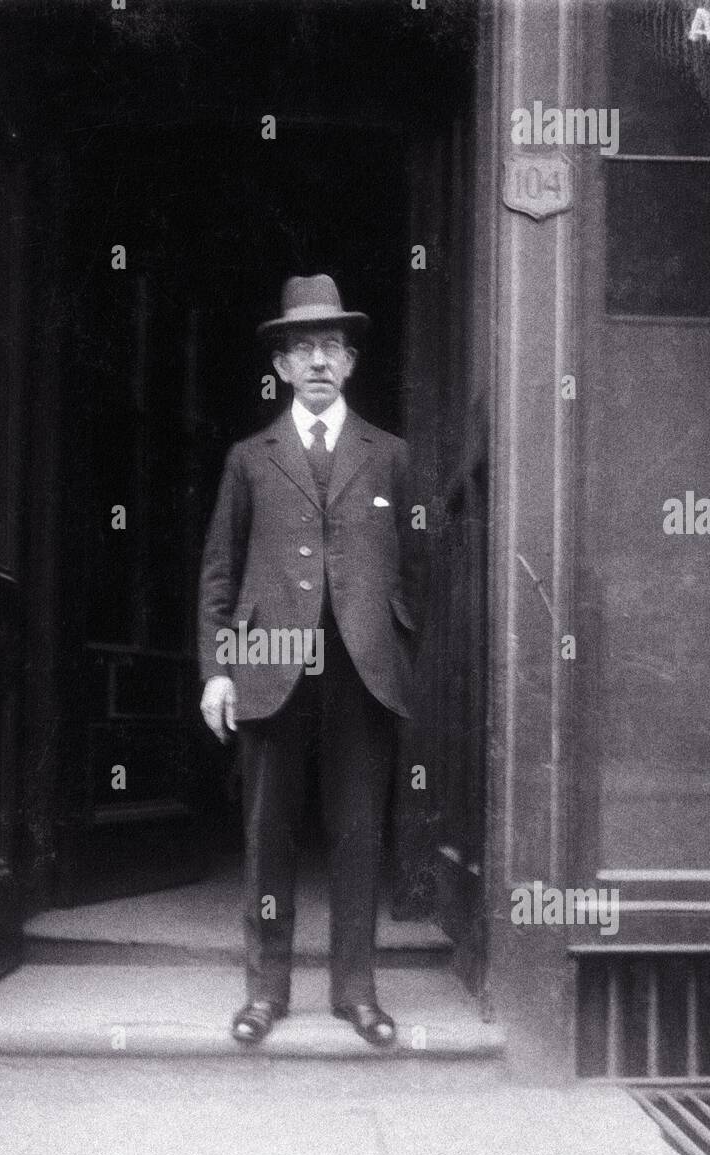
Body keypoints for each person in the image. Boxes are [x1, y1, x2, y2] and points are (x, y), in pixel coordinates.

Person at [198, 274, 420, 1048]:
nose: (318, 360)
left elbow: (417, 572)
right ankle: (265, 993)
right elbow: (219, 574)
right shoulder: (249, 458)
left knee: (359, 834)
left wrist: (400, 652)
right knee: (267, 833)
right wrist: (219, 669)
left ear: (350, 363)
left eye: (331, 346)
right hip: (269, 666)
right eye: (302, 348)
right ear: (283, 367)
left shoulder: (389, 456)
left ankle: (355, 993)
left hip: (361, 675)